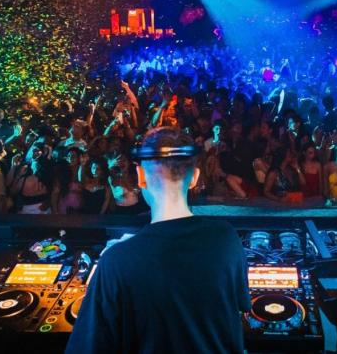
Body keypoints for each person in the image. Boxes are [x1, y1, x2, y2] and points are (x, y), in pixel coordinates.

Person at [66, 127, 250, 354]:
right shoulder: (227, 239)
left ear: (141, 176)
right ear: (194, 178)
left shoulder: (115, 262)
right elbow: (240, 309)